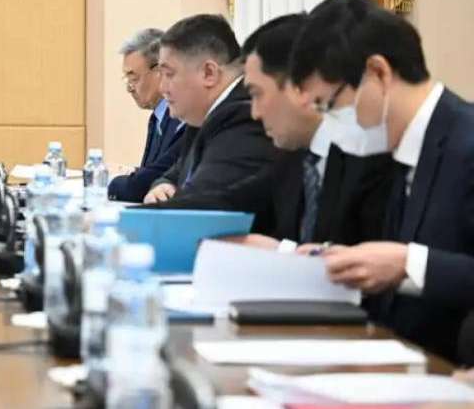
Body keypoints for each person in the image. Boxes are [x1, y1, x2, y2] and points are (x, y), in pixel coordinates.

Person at [289, 0, 474, 361]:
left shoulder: (466, 142)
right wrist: (356, 264)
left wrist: (408, 264)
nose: (330, 123)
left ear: (378, 72)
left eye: (329, 105)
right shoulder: (399, 150)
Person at [147, 14, 391, 247]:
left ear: (301, 87)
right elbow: (220, 202)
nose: (255, 112)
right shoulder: (294, 159)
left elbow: (364, 261)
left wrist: (284, 253)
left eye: (257, 94)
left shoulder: (368, 158)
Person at [144, 14, 275, 203]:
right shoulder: (202, 115)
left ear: (209, 73)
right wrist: (162, 186)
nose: (162, 88)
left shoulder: (245, 116)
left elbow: (201, 201)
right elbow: (176, 173)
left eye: (169, 74)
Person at [108, 28, 185, 202]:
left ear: (159, 71)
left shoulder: (182, 117)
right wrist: (131, 173)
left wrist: (109, 181)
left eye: (134, 78)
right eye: (127, 80)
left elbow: (148, 182)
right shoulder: (157, 117)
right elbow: (153, 171)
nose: (129, 88)